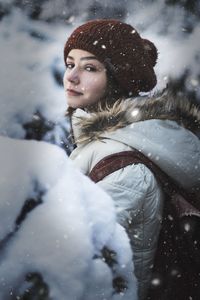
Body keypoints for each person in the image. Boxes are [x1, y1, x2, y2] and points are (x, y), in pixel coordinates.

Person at [63, 19, 200, 299]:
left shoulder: (125, 166)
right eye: (70, 64)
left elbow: (69, 260)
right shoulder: (115, 141)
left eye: (89, 67)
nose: (71, 76)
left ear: (117, 80)